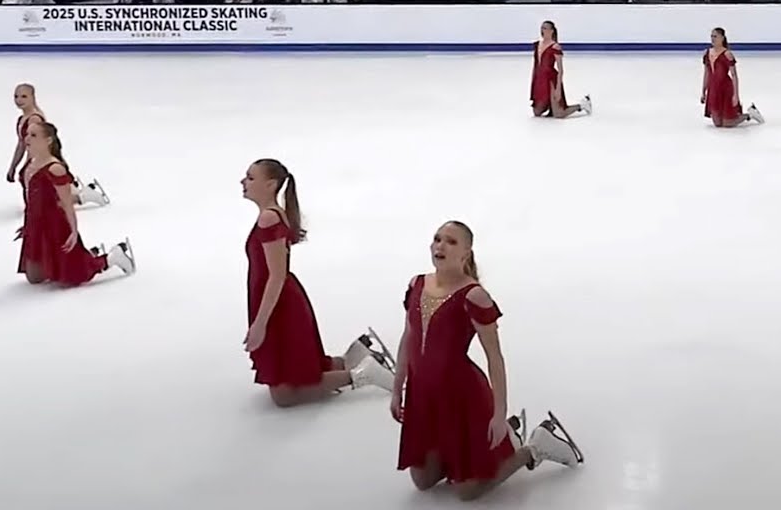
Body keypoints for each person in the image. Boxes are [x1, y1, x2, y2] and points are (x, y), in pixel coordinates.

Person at [393, 221, 582, 501]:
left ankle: (534, 448)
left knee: (467, 492)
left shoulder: (474, 295)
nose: (440, 246)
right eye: (437, 238)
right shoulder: (416, 284)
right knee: (423, 481)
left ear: (466, 253)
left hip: (461, 397)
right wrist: (397, 387)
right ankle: (492, 445)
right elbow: (408, 336)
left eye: (451, 242)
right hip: (424, 396)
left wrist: (498, 411)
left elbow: (495, 357)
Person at [241, 158, 395, 407]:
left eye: (250, 177)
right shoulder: (272, 215)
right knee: (297, 371)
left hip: (281, 305)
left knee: (284, 396)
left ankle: (365, 374)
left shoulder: (269, 218)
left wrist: (260, 324)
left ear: (270, 185)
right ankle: (357, 353)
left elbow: (276, 276)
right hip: (280, 300)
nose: (243, 182)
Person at [17, 121, 135, 285]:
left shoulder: (55, 168)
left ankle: (112, 258)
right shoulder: (31, 163)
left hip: (54, 224)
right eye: (27, 134)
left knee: (72, 278)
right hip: (35, 223)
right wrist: (29, 225)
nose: (27, 138)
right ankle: (83, 256)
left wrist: (73, 231)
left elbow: (66, 203)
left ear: (48, 140)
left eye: (33, 135)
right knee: (35, 278)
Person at [6, 83, 108, 207]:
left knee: (46, 204)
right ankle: (73, 190)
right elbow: (21, 145)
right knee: (37, 202)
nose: (19, 100)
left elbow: (38, 144)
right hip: (35, 160)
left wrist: (32, 165)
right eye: (16, 96)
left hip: (41, 159)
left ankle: (83, 196)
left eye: (24, 96)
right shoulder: (21, 119)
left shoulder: (35, 119)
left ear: (32, 97)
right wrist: (13, 166)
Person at [701, 27, 764, 127]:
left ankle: (749, 114)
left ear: (722, 38)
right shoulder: (707, 53)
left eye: (715, 36)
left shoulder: (727, 54)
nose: (713, 39)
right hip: (713, 89)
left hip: (725, 88)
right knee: (717, 123)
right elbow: (706, 74)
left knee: (727, 124)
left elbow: (734, 75)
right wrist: (703, 91)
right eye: (711, 36)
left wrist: (736, 95)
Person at [531, 21, 592, 118]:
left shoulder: (555, 46)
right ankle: (551, 104)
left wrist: (558, 88)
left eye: (545, 28)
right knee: (537, 112)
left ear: (552, 31)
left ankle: (582, 105)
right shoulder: (537, 44)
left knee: (559, 114)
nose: (543, 30)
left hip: (551, 80)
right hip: (540, 80)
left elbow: (560, 70)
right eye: (542, 28)